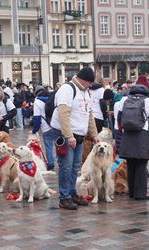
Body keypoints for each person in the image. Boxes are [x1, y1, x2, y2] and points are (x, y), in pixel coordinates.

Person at [50, 67, 100, 210]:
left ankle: (71, 193)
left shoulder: (86, 92)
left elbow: (89, 114)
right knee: (66, 166)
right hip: (65, 135)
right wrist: (68, 135)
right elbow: (63, 114)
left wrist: (94, 134)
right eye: (89, 83)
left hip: (79, 136)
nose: (90, 85)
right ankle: (64, 197)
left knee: (74, 166)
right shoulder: (67, 89)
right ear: (83, 80)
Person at [118, 75, 149, 200]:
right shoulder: (148, 101)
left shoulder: (124, 99)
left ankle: (132, 192)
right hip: (142, 133)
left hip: (127, 133)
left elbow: (119, 117)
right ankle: (140, 194)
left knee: (130, 163)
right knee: (141, 163)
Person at [32, 85, 55, 170]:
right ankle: (62, 162)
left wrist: (34, 130)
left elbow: (37, 118)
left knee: (49, 146)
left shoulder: (37, 102)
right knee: (59, 145)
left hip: (46, 127)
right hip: (56, 125)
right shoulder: (52, 97)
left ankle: (51, 163)